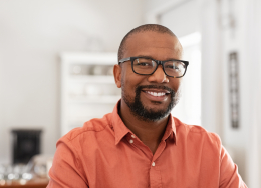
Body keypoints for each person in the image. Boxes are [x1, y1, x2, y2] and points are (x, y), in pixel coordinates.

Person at [47, 24, 247, 188]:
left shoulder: (210, 149)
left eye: (172, 66)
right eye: (143, 63)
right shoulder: (76, 151)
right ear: (118, 76)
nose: (160, 77)